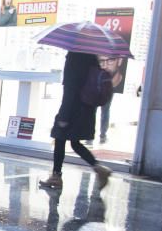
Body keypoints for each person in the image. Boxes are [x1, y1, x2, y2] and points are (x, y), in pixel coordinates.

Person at [39, 51, 112, 190]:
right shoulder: (91, 57)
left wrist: (64, 116)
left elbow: (70, 89)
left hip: (73, 109)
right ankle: (98, 168)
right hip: (87, 109)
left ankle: (57, 176)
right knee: (74, 143)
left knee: (59, 138)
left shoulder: (74, 57)